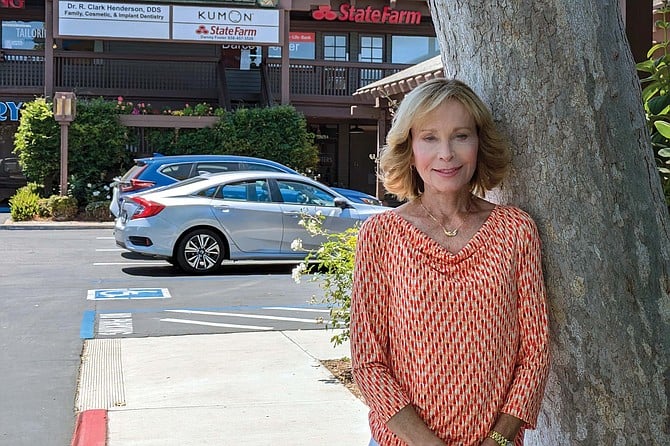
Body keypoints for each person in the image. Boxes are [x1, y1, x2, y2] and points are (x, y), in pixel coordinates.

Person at [350, 78, 550, 446]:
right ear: (409, 149)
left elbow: (535, 351)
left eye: (460, 136)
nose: (446, 153)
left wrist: (499, 440)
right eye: (429, 138)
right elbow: (368, 362)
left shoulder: (516, 230)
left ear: (479, 144)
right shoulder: (380, 235)